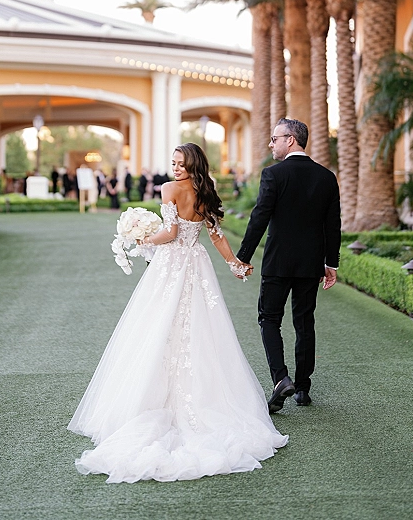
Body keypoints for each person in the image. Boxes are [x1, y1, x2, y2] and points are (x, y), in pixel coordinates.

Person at [68, 142, 287, 483]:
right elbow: (214, 236)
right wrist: (234, 264)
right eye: (173, 163)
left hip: (171, 264)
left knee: (158, 324)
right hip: (196, 263)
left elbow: (170, 233)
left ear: (192, 164)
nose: (176, 169)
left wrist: (142, 241)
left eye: (181, 163)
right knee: (198, 326)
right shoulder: (206, 191)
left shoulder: (169, 189)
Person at [236, 118, 341, 414]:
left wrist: (243, 256)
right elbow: (333, 225)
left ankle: (281, 378)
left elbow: (259, 217)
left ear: (291, 140)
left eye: (274, 138)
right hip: (311, 264)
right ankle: (303, 388)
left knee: (269, 319)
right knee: (304, 323)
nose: (271, 144)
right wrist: (330, 263)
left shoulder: (274, 175)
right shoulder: (326, 177)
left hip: (278, 262)